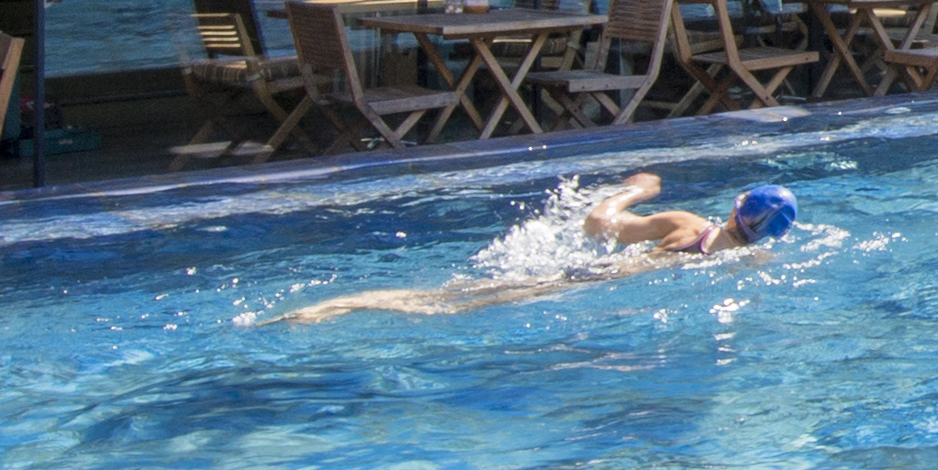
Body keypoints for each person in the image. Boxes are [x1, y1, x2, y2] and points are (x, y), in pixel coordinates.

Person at [256, 174, 808, 323]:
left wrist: (635, 191)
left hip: (584, 279)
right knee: (464, 305)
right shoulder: (749, 262)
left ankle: (334, 306)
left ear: (737, 206)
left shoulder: (688, 224)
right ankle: (338, 309)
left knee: (449, 297)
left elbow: (597, 225)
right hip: (612, 295)